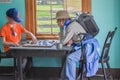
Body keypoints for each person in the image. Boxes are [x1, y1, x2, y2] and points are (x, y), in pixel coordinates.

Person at [55, 10, 100, 80]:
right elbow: (77, 37)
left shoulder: (70, 26)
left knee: (70, 58)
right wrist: (72, 41)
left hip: (88, 47)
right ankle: (64, 78)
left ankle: (71, 79)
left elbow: (63, 41)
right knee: (68, 56)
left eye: (57, 21)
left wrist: (60, 30)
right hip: (87, 45)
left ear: (62, 20)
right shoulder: (72, 24)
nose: (57, 23)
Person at [0, 8, 37, 74]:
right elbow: (4, 43)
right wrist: (13, 43)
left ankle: (23, 73)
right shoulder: (4, 28)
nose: (15, 21)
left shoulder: (18, 25)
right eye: (14, 20)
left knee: (29, 55)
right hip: (9, 50)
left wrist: (32, 35)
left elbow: (26, 32)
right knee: (23, 56)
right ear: (7, 17)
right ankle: (19, 73)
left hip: (18, 48)